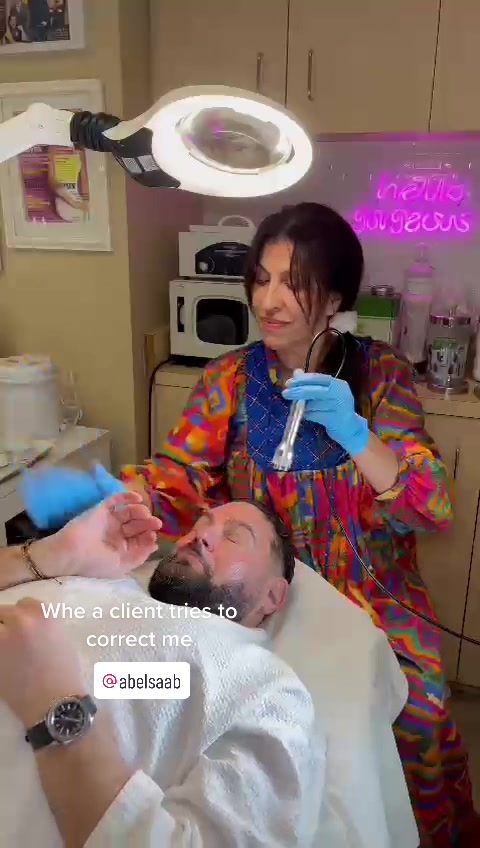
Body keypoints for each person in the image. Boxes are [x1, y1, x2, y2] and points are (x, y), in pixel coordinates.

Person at [119, 202, 478, 847]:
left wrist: (356, 433)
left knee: (420, 716)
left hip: (374, 593)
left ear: (334, 297)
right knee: (215, 710)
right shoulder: (228, 380)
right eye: (261, 279)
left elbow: (431, 506)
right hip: (256, 585)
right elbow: (178, 476)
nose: (269, 300)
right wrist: (125, 498)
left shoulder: (381, 378)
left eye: (293, 283)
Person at [0, 495, 320, 847]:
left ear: (273, 595)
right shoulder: (110, 576)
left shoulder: (267, 688)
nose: (200, 536)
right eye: (200, 524)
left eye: (233, 536)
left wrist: (55, 703)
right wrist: (47, 557)